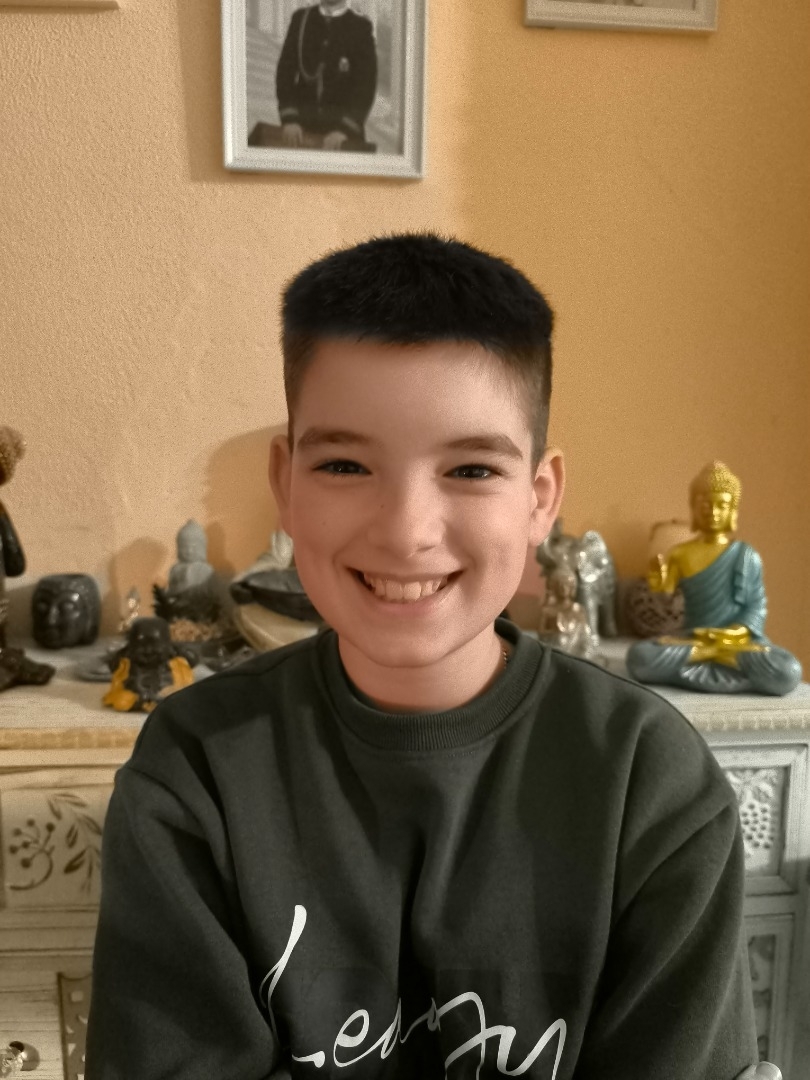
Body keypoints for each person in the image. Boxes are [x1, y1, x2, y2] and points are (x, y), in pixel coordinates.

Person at [85, 235, 760, 1079]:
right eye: (344, 464)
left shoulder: (648, 778)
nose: (406, 532)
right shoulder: (197, 770)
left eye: (471, 469)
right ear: (285, 483)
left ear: (540, 498)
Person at [626, 461, 802, 695]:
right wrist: (659, 585)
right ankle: (713, 655)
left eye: (722, 505)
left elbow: (757, 607)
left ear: (733, 509)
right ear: (694, 508)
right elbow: (666, 602)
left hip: (736, 643)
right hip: (694, 639)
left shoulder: (746, 555)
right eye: (705, 505)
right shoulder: (680, 553)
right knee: (639, 657)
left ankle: (712, 655)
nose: (713, 512)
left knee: (788, 670)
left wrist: (733, 634)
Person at [276, 0, 378, 150]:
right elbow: (285, 72)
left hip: (342, 134)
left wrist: (344, 130)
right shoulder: (301, 19)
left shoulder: (361, 27)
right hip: (300, 129)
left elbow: (366, 86)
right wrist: (290, 118)